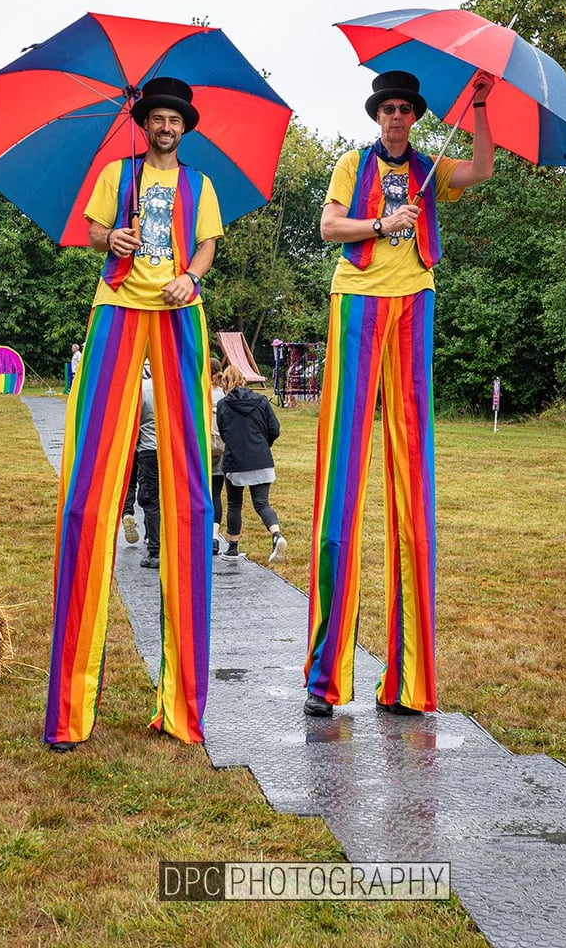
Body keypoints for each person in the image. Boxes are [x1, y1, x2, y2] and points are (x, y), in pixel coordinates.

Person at [303, 69, 494, 718]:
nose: (396, 118)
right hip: (356, 302)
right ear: (376, 115)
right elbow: (329, 229)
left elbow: (484, 171)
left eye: (405, 110)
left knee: (413, 479)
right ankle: (324, 682)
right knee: (342, 479)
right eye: (388, 108)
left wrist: (483, 109)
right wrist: (382, 223)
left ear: (416, 118)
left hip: (415, 303)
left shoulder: (431, 169)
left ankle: (409, 683)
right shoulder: (350, 164)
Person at [44, 76, 223, 751]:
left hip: (179, 314)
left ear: (185, 127)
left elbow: (206, 245)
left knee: (187, 485)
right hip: (117, 309)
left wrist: (193, 276)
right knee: (89, 487)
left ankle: (180, 705)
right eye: (158, 118)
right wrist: (109, 240)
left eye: (176, 119)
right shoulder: (116, 173)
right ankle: (70, 708)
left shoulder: (200, 185)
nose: (167, 127)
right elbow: (90, 230)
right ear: (144, 123)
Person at [216, 364, 287, 563]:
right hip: (261, 458)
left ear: (225, 383)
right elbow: (274, 428)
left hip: (235, 461)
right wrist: (264, 445)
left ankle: (232, 547)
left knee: (234, 504)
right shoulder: (262, 401)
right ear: (244, 379)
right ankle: (276, 535)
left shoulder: (223, 405)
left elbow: (224, 433)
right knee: (262, 503)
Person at [135, 361, 160, 569]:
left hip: (149, 450)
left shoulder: (144, 389)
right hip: (173, 451)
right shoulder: (174, 385)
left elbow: (136, 420)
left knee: (150, 500)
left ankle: (155, 550)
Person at [209, 357, 225, 556]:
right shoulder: (224, 396)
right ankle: (214, 536)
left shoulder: (199, 394)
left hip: (201, 449)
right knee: (216, 494)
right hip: (221, 449)